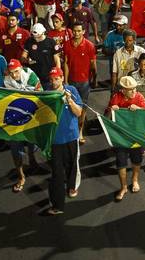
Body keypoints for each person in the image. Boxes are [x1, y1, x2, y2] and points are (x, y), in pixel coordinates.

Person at [44, 67, 83, 216]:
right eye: (52, 79)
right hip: (56, 140)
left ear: (62, 78)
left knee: (73, 167)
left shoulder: (71, 90)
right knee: (57, 174)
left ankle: (72, 187)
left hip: (71, 137)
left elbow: (79, 112)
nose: (54, 82)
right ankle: (57, 205)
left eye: (56, 79)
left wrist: (70, 101)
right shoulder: (47, 94)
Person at [106, 75, 145, 201]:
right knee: (121, 162)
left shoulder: (139, 97)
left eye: (135, 88)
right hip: (120, 137)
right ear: (123, 90)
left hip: (135, 136)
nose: (134, 91)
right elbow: (107, 118)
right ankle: (123, 187)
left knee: (136, 160)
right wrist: (112, 111)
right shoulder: (116, 97)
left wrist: (139, 109)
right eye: (131, 89)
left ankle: (135, 180)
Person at [63, 22, 96, 143]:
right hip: (71, 82)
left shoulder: (90, 45)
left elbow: (93, 65)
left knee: (82, 108)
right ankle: (72, 130)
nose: (76, 33)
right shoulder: (66, 44)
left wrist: (94, 78)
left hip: (84, 83)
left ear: (83, 31)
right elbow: (65, 63)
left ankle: (80, 131)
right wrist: (66, 81)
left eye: (79, 31)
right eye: (74, 31)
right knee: (70, 106)